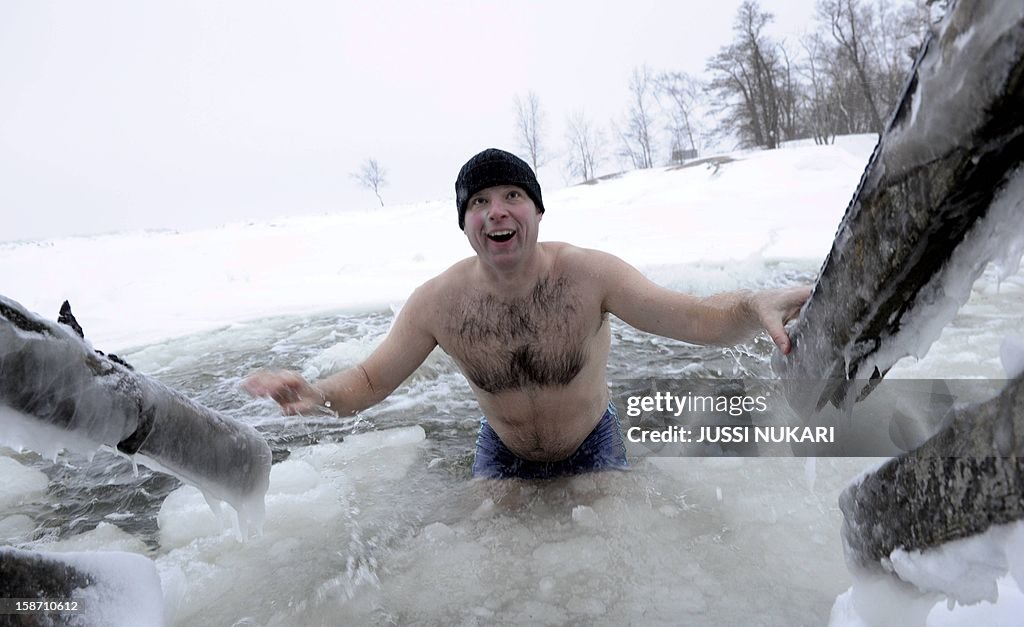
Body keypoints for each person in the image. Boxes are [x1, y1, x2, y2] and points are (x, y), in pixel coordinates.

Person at [244, 148, 810, 479]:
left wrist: (751, 304)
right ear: (465, 223)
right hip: (502, 454)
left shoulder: (590, 276)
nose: (496, 212)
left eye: (511, 195)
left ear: (536, 210)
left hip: (594, 444)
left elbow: (693, 319)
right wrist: (316, 394)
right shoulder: (439, 303)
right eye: (478, 203)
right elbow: (370, 380)